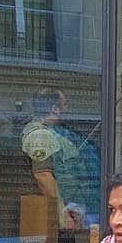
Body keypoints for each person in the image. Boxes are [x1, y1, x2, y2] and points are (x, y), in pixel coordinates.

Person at [24, 86, 102, 234]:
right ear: (55, 108)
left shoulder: (56, 133)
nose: (66, 109)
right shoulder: (40, 135)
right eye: (64, 104)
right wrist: (62, 214)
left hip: (72, 210)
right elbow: (43, 176)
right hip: (58, 216)